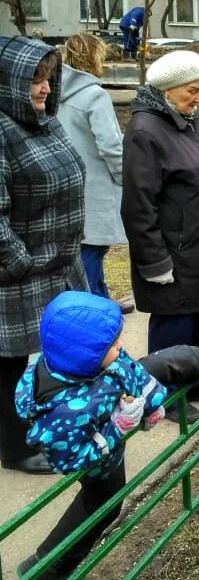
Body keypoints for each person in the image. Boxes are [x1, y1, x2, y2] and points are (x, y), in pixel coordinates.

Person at [14, 291, 199, 580]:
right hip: (100, 464)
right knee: (104, 504)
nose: (120, 347)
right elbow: (72, 459)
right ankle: (48, 568)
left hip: (104, 420)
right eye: (111, 344)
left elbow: (128, 370)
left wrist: (152, 402)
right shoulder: (66, 414)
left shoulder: (87, 364)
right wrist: (117, 427)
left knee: (154, 365)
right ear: (85, 355)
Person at [121, 50, 199, 414]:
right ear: (167, 90)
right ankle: (165, 395)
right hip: (174, 250)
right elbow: (139, 204)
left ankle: (196, 379)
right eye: (192, 91)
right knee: (175, 325)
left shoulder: (189, 118)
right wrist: (155, 262)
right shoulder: (145, 131)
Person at [0, 36, 87, 475]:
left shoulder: (43, 122)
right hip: (21, 272)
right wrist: (17, 261)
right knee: (10, 362)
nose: (45, 89)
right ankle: (14, 448)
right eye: (34, 80)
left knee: (50, 355)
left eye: (48, 79)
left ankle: (44, 423)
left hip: (59, 261)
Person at [58, 33, 133, 316]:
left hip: (69, 185)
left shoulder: (56, 93)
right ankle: (92, 311)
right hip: (97, 188)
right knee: (91, 251)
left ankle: (101, 300)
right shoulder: (94, 95)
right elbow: (112, 145)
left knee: (86, 251)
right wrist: (125, 178)